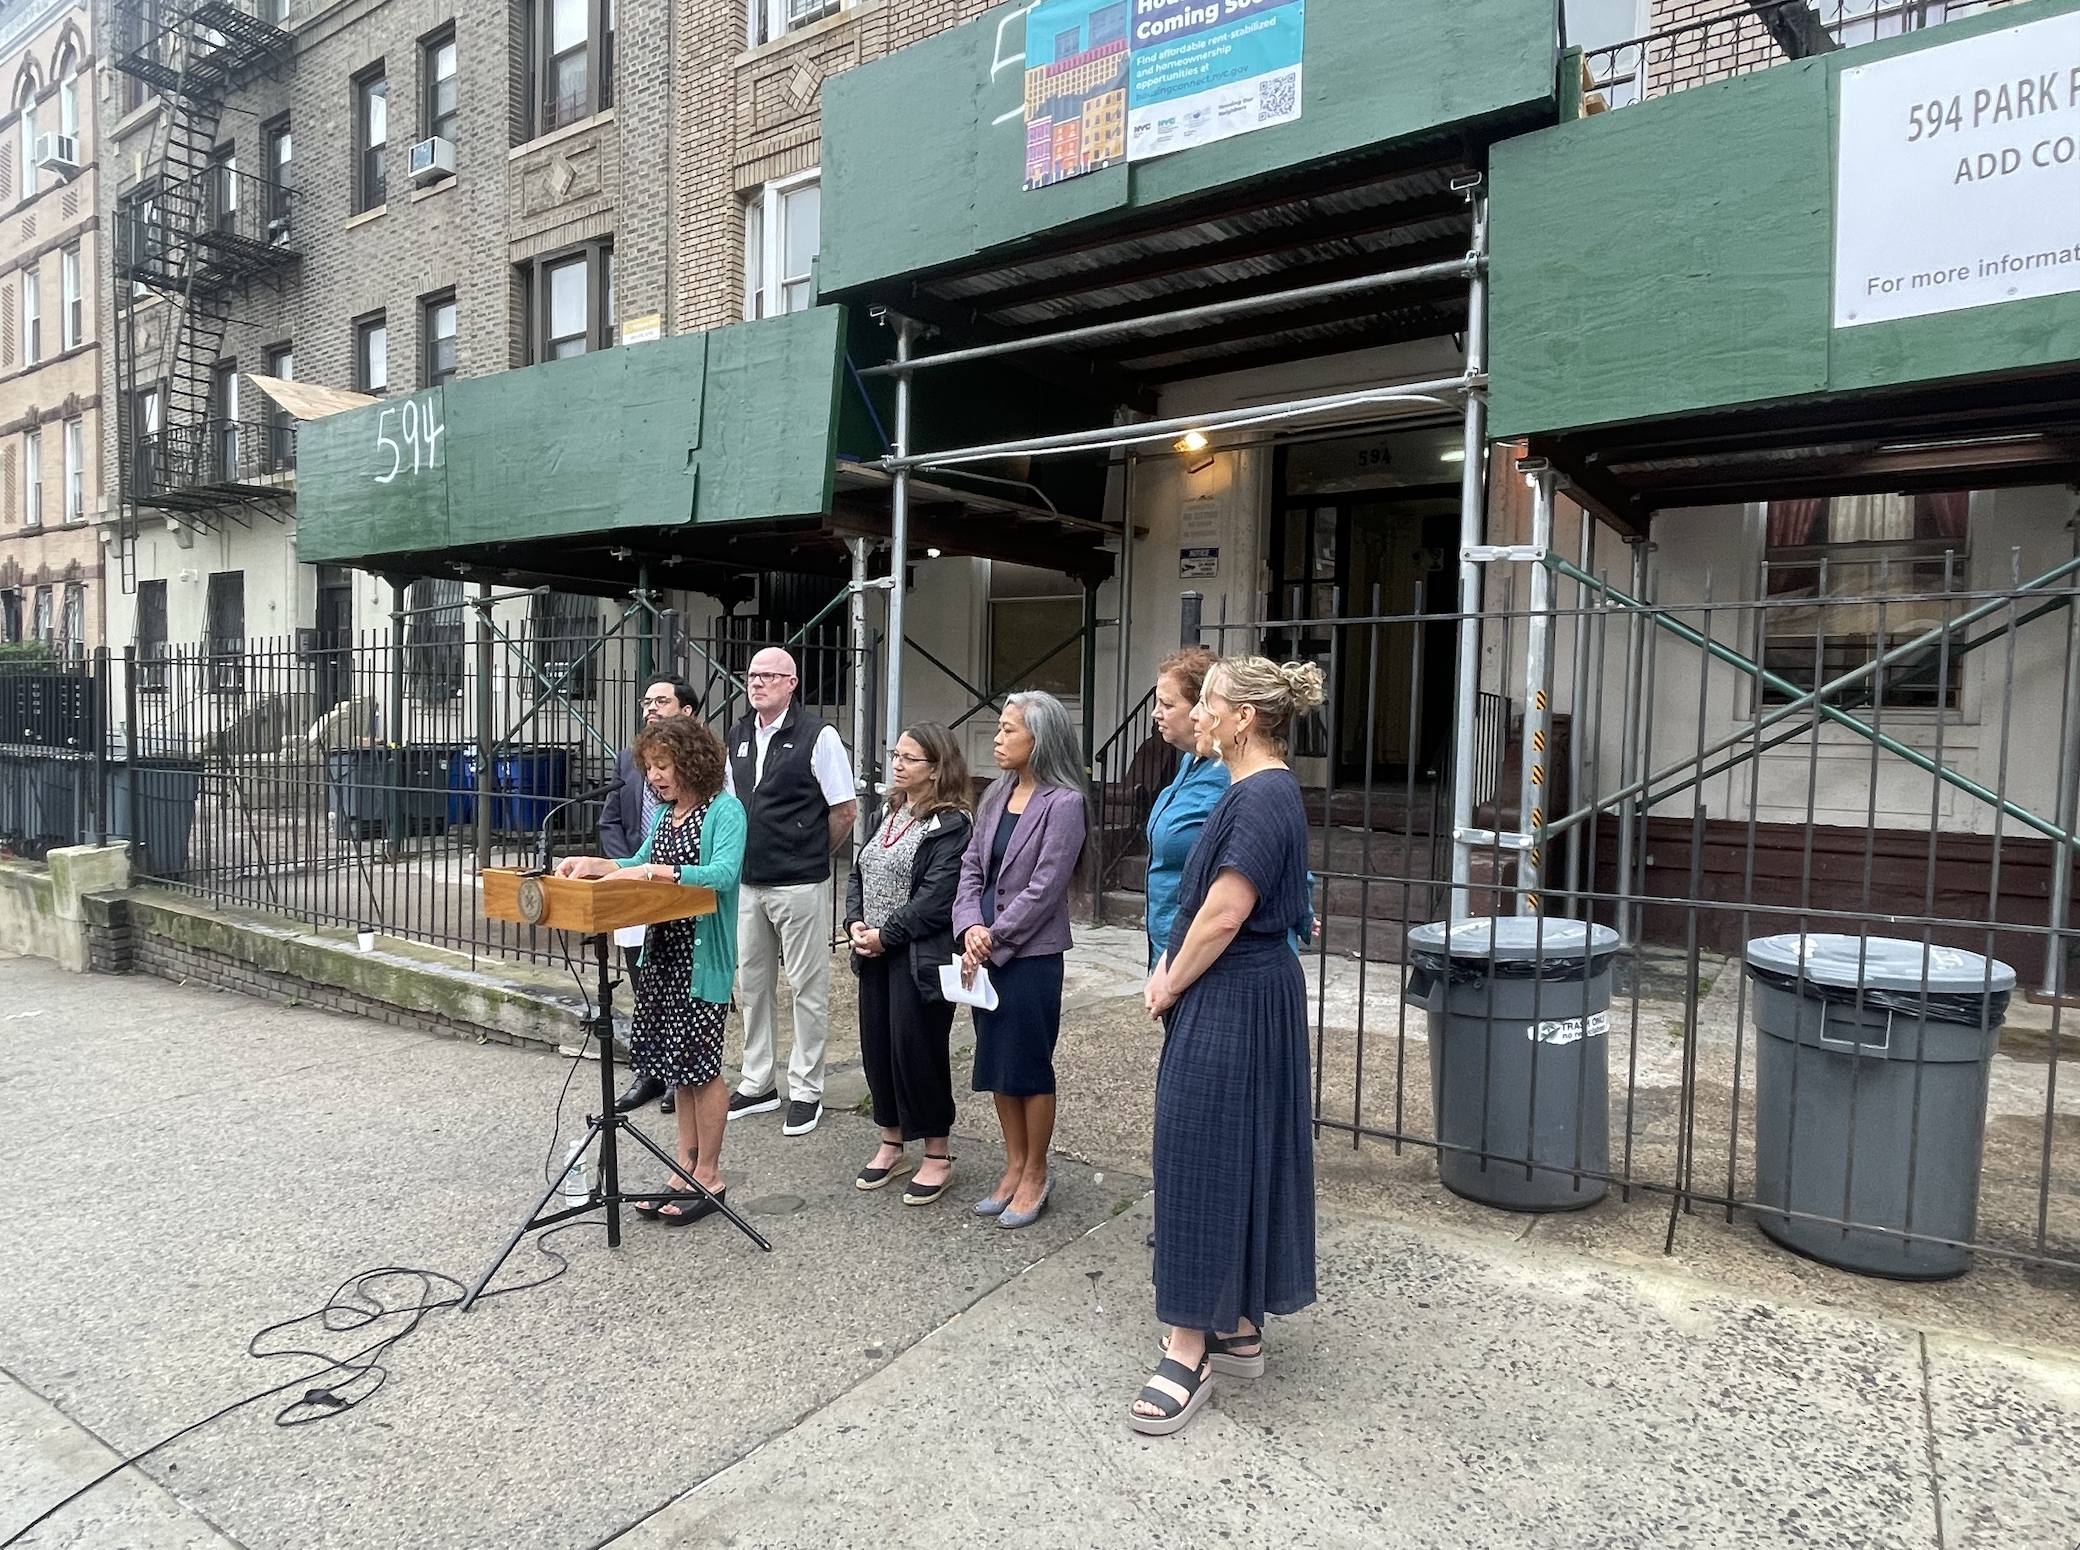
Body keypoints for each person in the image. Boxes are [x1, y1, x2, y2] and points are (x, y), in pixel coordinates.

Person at [1131, 655, 1324, 1436]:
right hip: (1245, 992)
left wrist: (1170, 979)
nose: (1198, 714)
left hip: (1235, 991)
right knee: (1235, 1151)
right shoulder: (1255, 789)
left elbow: (1223, 911)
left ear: (1244, 718)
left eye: (1209, 703)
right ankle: (1236, 1326)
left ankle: (1189, 1347)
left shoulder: (1264, 793)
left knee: (1197, 1155)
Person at [555, 716, 745, 1225]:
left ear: (693, 763)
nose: (656, 776)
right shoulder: (666, 815)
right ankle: (680, 1165)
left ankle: (709, 1173)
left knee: (702, 1069)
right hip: (661, 957)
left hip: (700, 959)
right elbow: (636, 860)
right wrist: (595, 865)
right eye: (651, 767)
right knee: (676, 1069)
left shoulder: (725, 812)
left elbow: (723, 876)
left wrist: (656, 871)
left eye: (665, 765)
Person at [952, 691, 1087, 1231]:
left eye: (1009, 730)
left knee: (1028, 1066)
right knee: (996, 1065)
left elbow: (1044, 888)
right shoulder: (994, 796)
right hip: (981, 948)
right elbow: (969, 870)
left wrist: (993, 937)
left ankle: (1036, 1171)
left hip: (1029, 956)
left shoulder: (1065, 803)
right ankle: (1012, 1167)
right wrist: (969, 928)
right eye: (1001, 728)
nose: (999, 738)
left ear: (1041, 739)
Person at [723, 646, 858, 1137]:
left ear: (792, 683)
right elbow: (732, 806)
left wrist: (810, 853)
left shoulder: (818, 736)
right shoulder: (738, 734)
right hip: (748, 882)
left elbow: (843, 810)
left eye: (769, 676)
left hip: (799, 882)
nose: (757, 683)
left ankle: (806, 1089)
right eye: (753, 675)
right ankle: (758, 1082)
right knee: (752, 986)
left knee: (807, 988)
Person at [843, 723, 973, 1206]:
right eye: (894, 754)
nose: (895, 764)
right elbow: (860, 870)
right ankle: (891, 1141)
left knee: (917, 1050)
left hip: (915, 956)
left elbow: (937, 898)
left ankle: (937, 1153)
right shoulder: (889, 812)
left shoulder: (953, 824)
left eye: (908, 758)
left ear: (936, 770)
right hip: (873, 952)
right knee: (877, 1048)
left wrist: (886, 935)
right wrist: (855, 921)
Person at [600, 674, 699, 1116]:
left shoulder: (703, 770)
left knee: (682, 989)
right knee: (646, 984)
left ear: (687, 711)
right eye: (646, 701)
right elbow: (610, 823)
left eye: (661, 700)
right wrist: (627, 871)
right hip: (635, 886)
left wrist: (655, 872)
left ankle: (683, 1075)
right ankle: (651, 1073)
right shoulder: (628, 760)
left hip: (679, 891)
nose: (650, 708)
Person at [1142, 646, 1226, 972]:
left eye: (1167, 704)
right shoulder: (1190, 762)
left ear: (1201, 710)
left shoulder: (1229, 774)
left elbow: (1258, 846)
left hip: (1201, 957)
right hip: (1168, 946)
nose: (1155, 712)